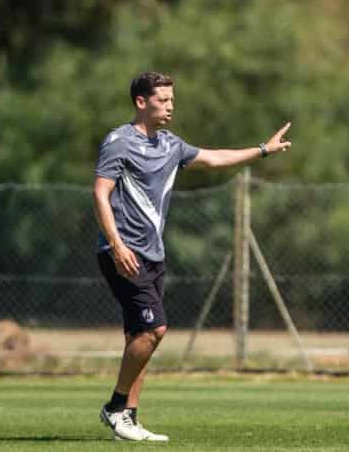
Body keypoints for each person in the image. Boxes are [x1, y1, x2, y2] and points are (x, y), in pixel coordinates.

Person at [93, 71, 292, 442]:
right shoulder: (119, 142)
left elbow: (215, 158)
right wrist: (117, 245)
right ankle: (115, 407)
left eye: (172, 99)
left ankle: (128, 419)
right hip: (124, 253)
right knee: (154, 330)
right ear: (141, 102)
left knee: (139, 337)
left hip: (153, 254)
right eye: (163, 100)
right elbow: (100, 194)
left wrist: (262, 150)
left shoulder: (170, 144)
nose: (171, 106)